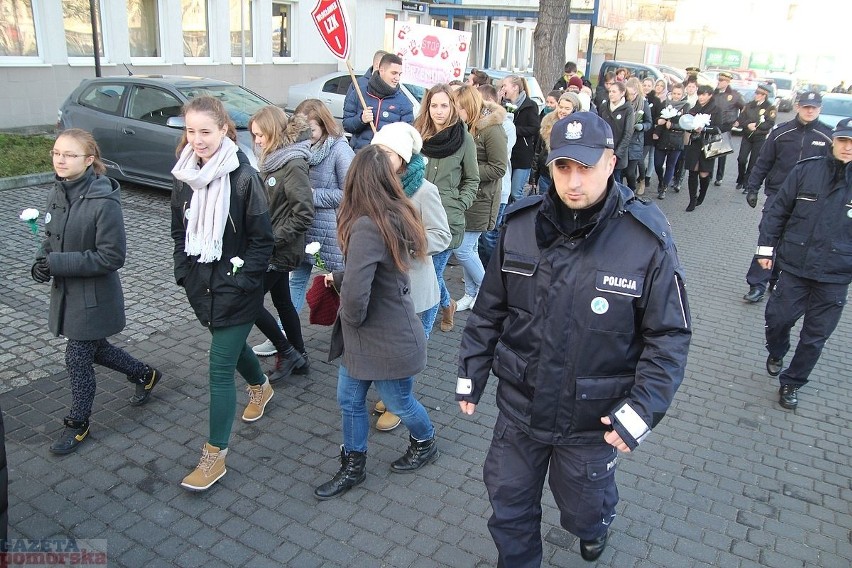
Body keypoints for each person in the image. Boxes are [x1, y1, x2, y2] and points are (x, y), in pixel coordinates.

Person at [457, 111, 691, 565]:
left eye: (586, 167)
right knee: (507, 505)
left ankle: (594, 526)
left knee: (585, 508)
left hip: (593, 421)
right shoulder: (521, 225)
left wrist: (642, 411)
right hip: (520, 410)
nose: (574, 181)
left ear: (610, 163)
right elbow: (491, 309)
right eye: (563, 167)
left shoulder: (646, 241)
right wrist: (471, 371)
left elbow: (669, 336)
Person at [314, 145, 438, 500]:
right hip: (382, 333)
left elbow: (356, 297)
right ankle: (354, 464)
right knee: (349, 399)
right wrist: (341, 276)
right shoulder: (395, 212)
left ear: (356, 181)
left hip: (383, 337)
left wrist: (348, 313)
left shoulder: (368, 224)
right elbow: (376, 273)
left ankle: (425, 441)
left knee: (398, 401)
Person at [32, 128, 161, 455]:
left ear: (89, 160)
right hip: (66, 294)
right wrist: (40, 262)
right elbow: (50, 237)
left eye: (70, 154)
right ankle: (145, 374)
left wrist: (58, 263)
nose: (60, 160)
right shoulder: (58, 191)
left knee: (77, 357)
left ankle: (78, 423)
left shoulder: (103, 201)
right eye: (57, 153)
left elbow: (112, 256)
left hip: (92, 298)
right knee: (95, 349)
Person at [170, 96, 274, 491]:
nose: (197, 140)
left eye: (205, 131)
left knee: (217, 367)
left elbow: (263, 242)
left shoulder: (244, 177)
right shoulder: (183, 175)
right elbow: (179, 233)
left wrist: (244, 280)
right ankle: (261, 386)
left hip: (237, 289)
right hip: (202, 287)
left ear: (224, 130)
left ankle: (214, 456)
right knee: (228, 348)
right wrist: (184, 274)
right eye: (191, 131)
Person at [755, 118, 852, 410]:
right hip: (795, 266)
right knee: (777, 319)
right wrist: (765, 250)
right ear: (834, 140)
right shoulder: (806, 171)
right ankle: (777, 349)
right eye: (844, 141)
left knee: (814, 338)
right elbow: (777, 213)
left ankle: (792, 382)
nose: (848, 148)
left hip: (835, 275)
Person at [369, 122, 452, 431]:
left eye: (386, 153)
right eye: (376, 151)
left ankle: (398, 401)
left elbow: (443, 236)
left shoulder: (424, 191)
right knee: (388, 347)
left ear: (403, 158)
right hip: (385, 286)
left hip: (416, 289)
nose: (378, 158)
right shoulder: (377, 187)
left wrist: (404, 243)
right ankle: (394, 394)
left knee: (405, 352)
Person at [741, 91, 833, 303]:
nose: (810, 111)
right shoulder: (781, 132)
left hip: (809, 202)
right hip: (778, 195)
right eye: (806, 106)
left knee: (792, 242)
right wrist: (753, 187)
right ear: (797, 106)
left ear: (819, 109)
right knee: (767, 238)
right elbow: (763, 161)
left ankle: (777, 278)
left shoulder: (827, 136)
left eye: (814, 107)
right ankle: (757, 283)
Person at [247, 106, 313, 381]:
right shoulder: (273, 160)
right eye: (254, 136)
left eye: (260, 135)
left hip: (279, 249)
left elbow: (304, 212)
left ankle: (288, 352)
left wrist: (271, 240)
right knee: (283, 302)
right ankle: (300, 357)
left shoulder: (292, 163)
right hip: (271, 246)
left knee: (246, 302)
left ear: (273, 131)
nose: (257, 141)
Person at [414, 84, 479, 332]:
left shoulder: (464, 139)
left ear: (452, 106)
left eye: (444, 105)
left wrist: (459, 203)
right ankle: (447, 304)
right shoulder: (417, 134)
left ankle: (423, 337)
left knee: (431, 277)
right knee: (426, 273)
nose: (439, 111)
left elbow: (472, 179)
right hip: (415, 216)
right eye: (434, 106)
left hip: (446, 221)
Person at [287, 98, 353, 314]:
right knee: (295, 282)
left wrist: (311, 196)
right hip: (304, 227)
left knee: (345, 287)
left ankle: (353, 337)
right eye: (302, 129)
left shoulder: (340, 149)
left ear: (324, 125)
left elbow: (350, 194)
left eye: (311, 129)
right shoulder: (298, 148)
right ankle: (285, 335)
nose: (306, 134)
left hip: (332, 232)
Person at [452, 85, 508, 311]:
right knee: (470, 249)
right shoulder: (467, 126)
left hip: (483, 198)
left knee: (462, 248)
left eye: (458, 108)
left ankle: (488, 293)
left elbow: (498, 168)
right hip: (467, 195)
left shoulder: (492, 129)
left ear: (468, 106)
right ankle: (471, 294)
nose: (455, 113)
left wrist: (468, 171)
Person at [478, 84, 517, 268]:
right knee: (478, 241)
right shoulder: (477, 124)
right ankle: (479, 280)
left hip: (497, 191)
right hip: (480, 190)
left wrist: (470, 169)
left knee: (490, 237)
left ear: (490, 103)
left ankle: (493, 275)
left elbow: (498, 164)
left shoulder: (505, 127)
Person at [343, 53, 414, 151]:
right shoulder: (359, 93)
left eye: (399, 74)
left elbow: (407, 137)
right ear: (381, 71)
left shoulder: (404, 103)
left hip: (386, 159)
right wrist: (361, 120)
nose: (397, 78)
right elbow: (347, 125)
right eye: (393, 73)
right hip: (360, 156)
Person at [683, 85, 723, 211]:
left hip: (708, 144)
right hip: (695, 143)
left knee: (704, 174)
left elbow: (718, 128)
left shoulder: (716, 110)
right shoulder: (694, 109)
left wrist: (704, 128)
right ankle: (692, 200)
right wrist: (691, 127)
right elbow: (687, 124)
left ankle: (702, 194)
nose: (701, 97)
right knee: (692, 172)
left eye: (704, 94)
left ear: (710, 95)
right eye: (700, 94)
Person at [501, 75, 540, 203]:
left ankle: (520, 219)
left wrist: (514, 130)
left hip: (522, 154)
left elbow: (534, 128)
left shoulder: (530, 105)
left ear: (515, 87)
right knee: (505, 192)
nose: (503, 88)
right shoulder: (502, 105)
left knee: (515, 192)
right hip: (507, 154)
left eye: (505, 85)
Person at [533, 92, 580, 196]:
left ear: (574, 109)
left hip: (567, 177)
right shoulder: (547, 122)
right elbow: (538, 151)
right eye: (560, 107)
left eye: (567, 108)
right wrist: (534, 176)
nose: (562, 111)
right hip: (546, 175)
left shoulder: (580, 127)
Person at [733, 83, 776, 190]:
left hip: (759, 138)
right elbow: (741, 118)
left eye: (759, 94)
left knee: (753, 162)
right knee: (741, 159)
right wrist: (748, 125)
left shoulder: (770, 107)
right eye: (756, 93)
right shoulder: (749, 105)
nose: (756, 95)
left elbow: (770, 123)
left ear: (764, 95)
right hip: (747, 136)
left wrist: (756, 126)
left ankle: (747, 182)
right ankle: (741, 178)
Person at [653, 83, 691, 200]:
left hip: (676, 139)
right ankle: (661, 179)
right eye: (674, 93)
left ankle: (664, 187)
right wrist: (659, 120)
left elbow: (686, 123)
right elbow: (657, 116)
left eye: (678, 94)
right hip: (663, 138)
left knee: (671, 165)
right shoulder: (665, 103)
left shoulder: (686, 105)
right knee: (658, 164)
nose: (676, 96)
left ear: (683, 94)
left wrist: (673, 125)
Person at [711, 71, 745, 186]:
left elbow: (744, 108)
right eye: (719, 80)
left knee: (722, 151)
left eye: (721, 81)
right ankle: (709, 173)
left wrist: (739, 120)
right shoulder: (714, 93)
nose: (719, 82)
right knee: (711, 149)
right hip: (714, 123)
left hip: (726, 124)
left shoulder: (734, 95)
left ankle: (719, 177)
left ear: (727, 82)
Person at [597, 80, 634, 184]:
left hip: (618, 153)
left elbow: (627, 134)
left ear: (622, 93)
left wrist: (617, 154)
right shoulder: (604, 106)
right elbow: (599, 127)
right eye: (610, 92)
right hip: (604, 151)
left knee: (616, 182)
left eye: (614, 92)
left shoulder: (628, 109)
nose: (611, 94)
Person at [624, 77, 652, 194]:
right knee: (623, 171)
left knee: (630, 171)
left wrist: (642, 127)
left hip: (636, 141)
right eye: (628, 93)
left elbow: (649, 122)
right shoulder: (624, 101)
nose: (631, 96)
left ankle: (632, 189)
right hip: (624, 140)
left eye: (633, 94)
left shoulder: (643, 103)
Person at [642, 77, 662, 189]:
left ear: (652, 87)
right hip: (640, 131)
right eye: (644, 85)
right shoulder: (638, 97)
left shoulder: (656, 101)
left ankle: (647, 176)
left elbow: (658, 117)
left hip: (651, 133)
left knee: (650, 157)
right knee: (640, 156)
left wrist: (656, 132)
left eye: (649, 85)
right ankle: (640, 174)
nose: (646, 87)